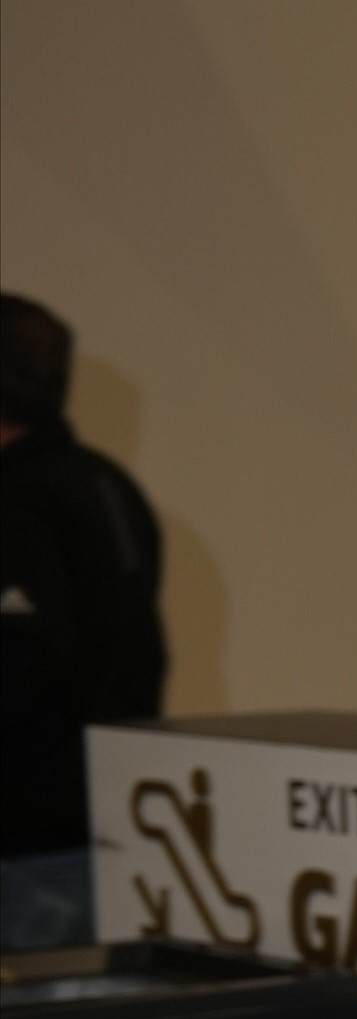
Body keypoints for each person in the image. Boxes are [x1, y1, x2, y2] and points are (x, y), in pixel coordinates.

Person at [0, 293, 164, 950]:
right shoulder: (106, 483)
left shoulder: (16, 502)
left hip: (25, 857)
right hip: (107, 835)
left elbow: (20, 662)